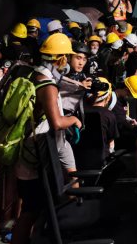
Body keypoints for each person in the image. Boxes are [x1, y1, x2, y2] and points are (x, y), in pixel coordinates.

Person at [12, 34, 83, 244]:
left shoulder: (34, 74)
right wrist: (73, 120)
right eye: (66, 57)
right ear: (60, 58)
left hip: (30, 152)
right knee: (31, 212)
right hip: (34, 158)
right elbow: (57, 123)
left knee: (34, 209)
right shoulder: (47, 85)